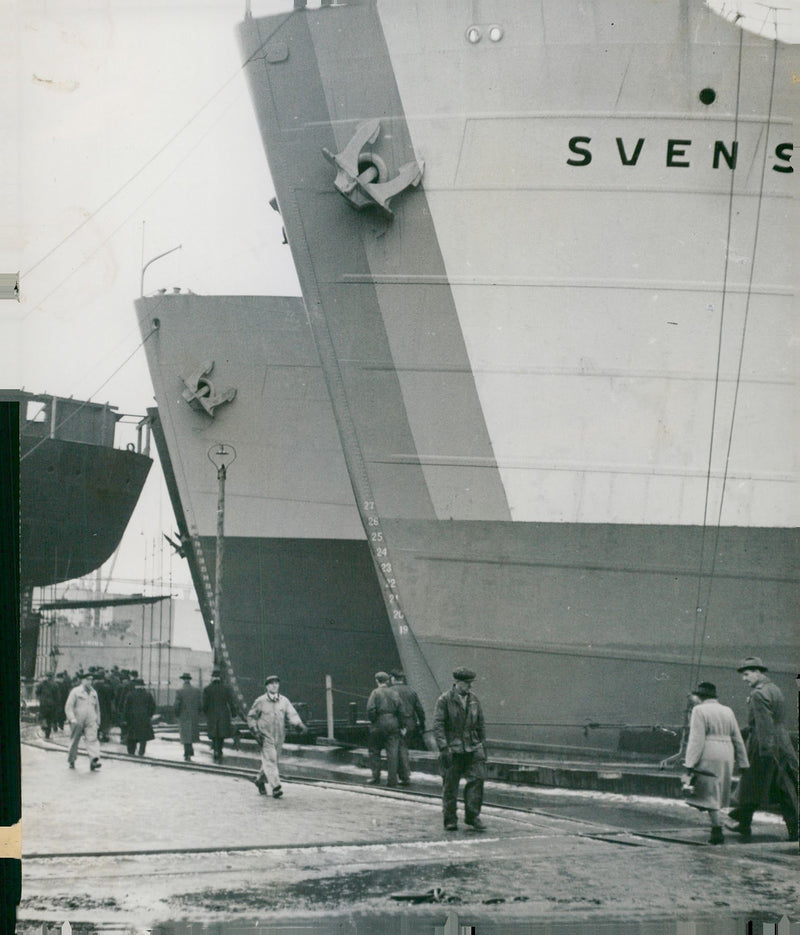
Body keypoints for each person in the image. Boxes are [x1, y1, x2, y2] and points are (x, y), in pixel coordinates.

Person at [728, 657, 798, 841]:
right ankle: (743, 821)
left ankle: (795, 828)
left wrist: (766, 751)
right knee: (755, 784)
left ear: (758, 672)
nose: (744, 679)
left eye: (747, 674)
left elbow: (764, 724)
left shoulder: (758, 694)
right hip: (782, 741)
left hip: (765, 744)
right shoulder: (774, 689)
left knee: (779, 786)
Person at [681, 682, 749, 845]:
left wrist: (689, 763)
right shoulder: (727, 710)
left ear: (699, 697)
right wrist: (743, 761)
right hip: (727, 753)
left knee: (708, 793)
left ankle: (717, 830)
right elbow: (737, 738)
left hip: (709, 752)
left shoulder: (699, 710)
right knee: (716, 792)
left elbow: (696, 740)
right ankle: (717, 826)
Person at [433, 666, 487, 831]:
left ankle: (473, 816)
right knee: (450, 786)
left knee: (477, 779)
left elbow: (480, 723)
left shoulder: (474, 699)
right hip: (452, 749)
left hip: (471, 747)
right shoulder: (444, 700)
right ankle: (450, 819)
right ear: (457, 683)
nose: (470, 686)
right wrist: (444, 747)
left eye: (471, 683)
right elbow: (438, 725)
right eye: (467, 683)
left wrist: (482, 744)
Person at [246, 675, 308, 798]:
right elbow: (251, 717)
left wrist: (299, 725)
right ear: (267, 686)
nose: (274, 685)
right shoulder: (261, 701)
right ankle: (276, 787)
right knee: (271, 761)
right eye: (271, 684)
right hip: (265, 736)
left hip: (279, 736)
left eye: (276, 683)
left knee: (272, 762)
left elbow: (292, 714)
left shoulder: (284, 701)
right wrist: (255, 731)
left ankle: (259, 780)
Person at [365, 671, 402, 787]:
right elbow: (401, 710)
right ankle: (392, 780)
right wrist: (400, 724)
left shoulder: (375, 693)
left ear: (377, 681)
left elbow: (370, 709)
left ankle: (375, 777)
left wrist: (374, 721)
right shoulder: (395, 693)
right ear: (387, 681)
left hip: (379, 723)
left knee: (374, 750)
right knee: (393, 753)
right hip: (393, 722)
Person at [390, 670, 426, 787]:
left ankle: (403, 777)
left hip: (396, 724)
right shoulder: (411, 691)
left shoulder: (390, 691)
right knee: (403, 748)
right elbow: (419, 709)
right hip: (410, 724)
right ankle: (404, 776)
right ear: (403, 679)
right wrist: (422, 724)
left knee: (397, 750)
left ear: (393, 679)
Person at [64, 672, 102, 771]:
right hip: (77, 720)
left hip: (91, 720)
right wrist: (72, 718)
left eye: (91, 679)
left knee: (92, 739)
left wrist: (98, 720)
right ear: (82, 680)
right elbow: (69, 706)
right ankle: (72, 760)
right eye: (87, 679)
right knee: (74, 741)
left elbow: (97, 708)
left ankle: (94, 760)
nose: (90, 682)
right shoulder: (75, 692)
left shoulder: (94, 693)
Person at [202, 668, 238, 763]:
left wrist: (205, 712)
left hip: (212, 714)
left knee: (214, 733)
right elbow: (231, 702)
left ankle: (215, 750)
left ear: (212, 678)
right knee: (221, 733)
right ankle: (220, 750)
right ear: (220, 678)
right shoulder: (226, 688)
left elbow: (205, 704)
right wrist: (234, 713)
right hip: (224, 713)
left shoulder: (207, 689)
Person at [122, 678, 156, 756]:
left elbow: (126, 708)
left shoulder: (130, 694)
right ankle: (141, 752)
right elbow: (153, 707)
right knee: (143, 737)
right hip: (144, 719)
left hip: (132, 719)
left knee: (131, 737)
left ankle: (131, 752)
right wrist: (149, 715)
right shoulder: (148, 694)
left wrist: (125, 719)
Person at [174, 672, 202, 761]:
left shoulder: (179, 691)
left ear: (183, 680)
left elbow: (177, 705)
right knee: (191, 734)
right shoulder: (196, 691)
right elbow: (200, 704)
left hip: (183, 716)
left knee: (185, 735)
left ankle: (187, 752)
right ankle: (190, 751)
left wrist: (176, 714)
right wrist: (198, 713)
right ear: (189, 680)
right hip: (194, 716)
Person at [35, 674, 61, 739]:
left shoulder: (42, 684)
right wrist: (57, 704)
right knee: (49, 719)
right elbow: (57, 696)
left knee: (43, 717)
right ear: (52, 677)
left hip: (43, 704)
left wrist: (40, 697)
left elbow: (37, 692)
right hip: (51, 705)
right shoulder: (55, 685)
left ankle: (44, 727)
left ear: (46, 677)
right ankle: (47, 734)